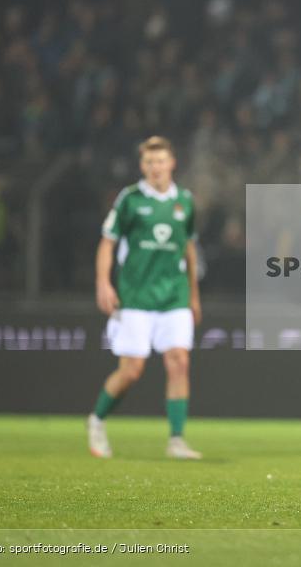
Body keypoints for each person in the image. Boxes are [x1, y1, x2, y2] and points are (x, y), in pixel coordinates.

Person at [87, 136, 203, 460]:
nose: (155, 167)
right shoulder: (130, 199)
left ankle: (176, 439)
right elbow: (107, 242)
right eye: (150, 162)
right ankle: (97, 419)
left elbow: (189, 248)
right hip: (136, 295)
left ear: (172, 163)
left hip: (174, 295)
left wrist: (194, 295)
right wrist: (103, 283)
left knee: (179, 361)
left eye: (161, 161)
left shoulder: (185, 201)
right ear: (142, 166)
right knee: (131, 370)